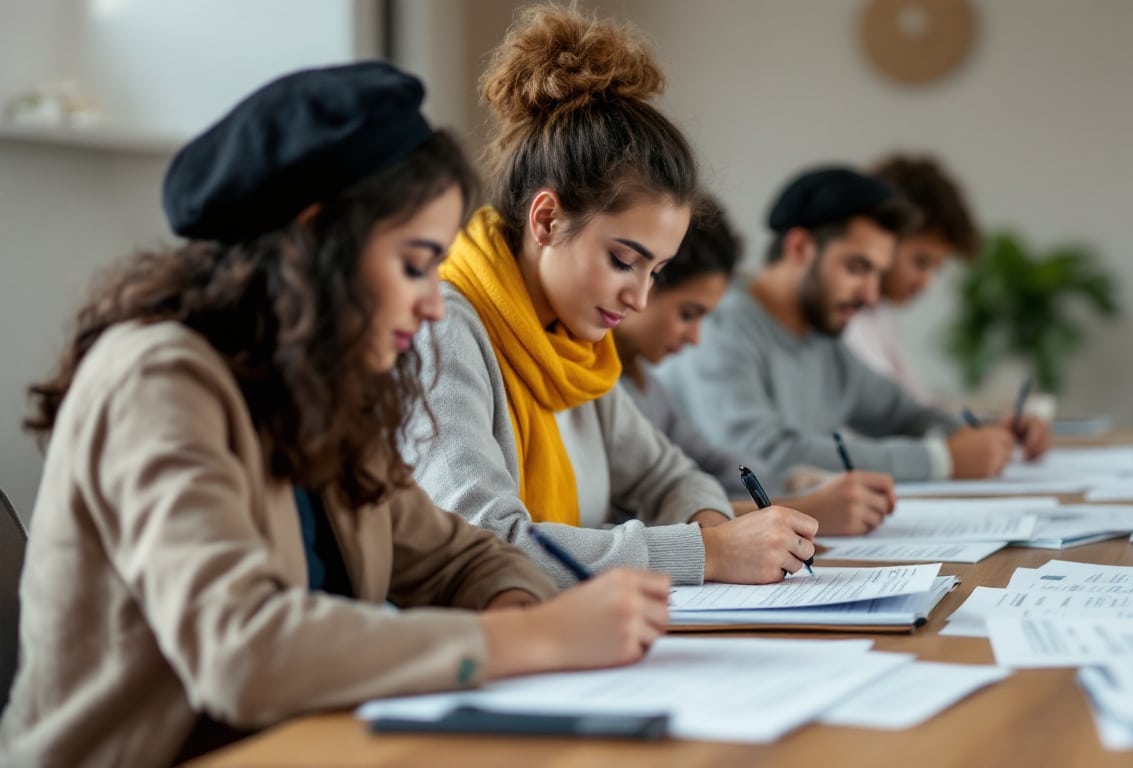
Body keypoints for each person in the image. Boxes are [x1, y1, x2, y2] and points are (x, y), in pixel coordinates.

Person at [0, 62, 670, 768]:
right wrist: (528, 641)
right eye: (415, 266)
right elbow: (244, 652)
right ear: (318, 240)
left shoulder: (325, 390)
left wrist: (508, 599)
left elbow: (464, 555)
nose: (434, 302)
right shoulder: (159, 380)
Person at [403, 5, 816, 588]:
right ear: (545, 219)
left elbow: (671, 477)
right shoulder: (442, 329)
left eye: (657, 271)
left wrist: (712, 526)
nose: (640, 299)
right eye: (624, 261)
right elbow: (485, 544)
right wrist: (710, 553)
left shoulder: (574, 348)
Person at [657, 166, 1051, 484]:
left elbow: (905, 413)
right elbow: (761, 454)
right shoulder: (718, 325)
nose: (869, 295)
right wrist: (940, 460)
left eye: (877, 274)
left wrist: (984, 433)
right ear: (799, 248)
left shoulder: (823, 339)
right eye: (857, 267)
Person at [615, 197, 897, 535]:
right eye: (688, 314)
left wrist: (794, 483)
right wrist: (804, 508)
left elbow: (705, 465)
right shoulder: (606, 389)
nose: (695, 338)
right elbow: (628, 519)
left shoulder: (644, 380)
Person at [843, 155, 982, 403]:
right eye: (921, 262)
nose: (926, 283)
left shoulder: (878, 314)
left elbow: (913, 405)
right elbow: (886, 416)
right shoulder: (845, 320)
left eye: (937, 268)